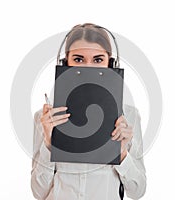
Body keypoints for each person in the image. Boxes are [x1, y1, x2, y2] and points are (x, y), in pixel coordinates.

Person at [31, 23, 146, 200]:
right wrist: (48, 142)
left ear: (110, 64)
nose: (88, 68)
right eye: (78, 59)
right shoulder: (45, 118)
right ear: (65, 63)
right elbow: (39, 193)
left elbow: (137, 191)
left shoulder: (128, 117)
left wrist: (121, 152)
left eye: (98, 60)